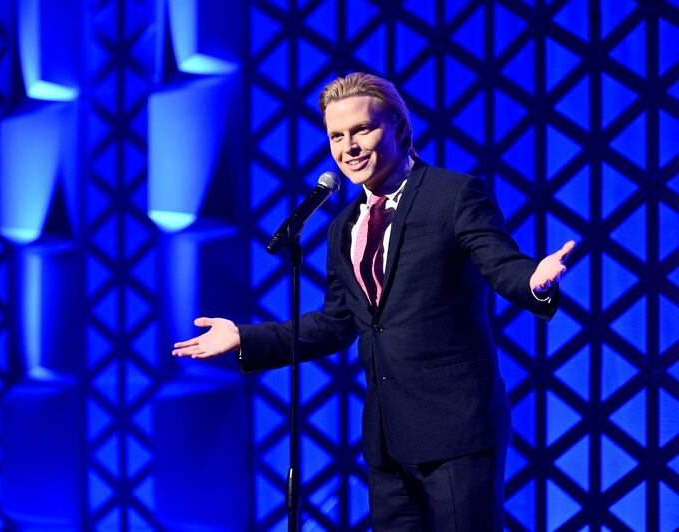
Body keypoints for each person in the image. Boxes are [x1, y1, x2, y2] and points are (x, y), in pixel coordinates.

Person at [172, 72, 574, 530]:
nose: (350, 147)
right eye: (337, 136)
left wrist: (535, 282)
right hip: (386, 439)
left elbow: (502, 264)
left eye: (363, 129)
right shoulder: (343, 225)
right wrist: (246, 336)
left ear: (401, 129)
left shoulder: (453, 195)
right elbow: (337, 322)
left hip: (456, 432)